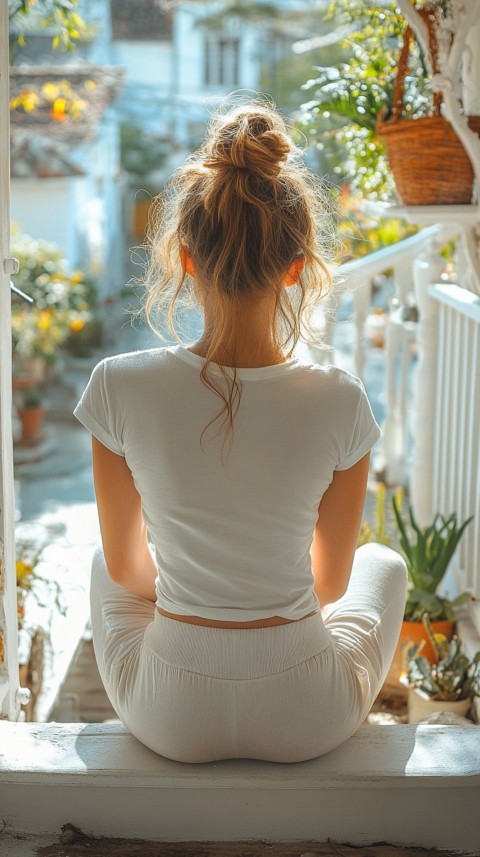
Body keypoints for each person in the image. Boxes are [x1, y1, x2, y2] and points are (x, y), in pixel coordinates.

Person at [74, 100, 407, 764]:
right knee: (384, 564)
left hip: (170, 714)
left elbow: (128, 572)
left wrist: (203, 595)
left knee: (101, 563)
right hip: (306, 711)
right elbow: (331, 584)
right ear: (295, 266)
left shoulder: (118, 385)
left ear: (186, 259)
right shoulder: (341, 399)